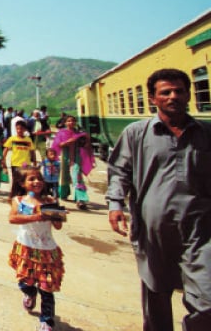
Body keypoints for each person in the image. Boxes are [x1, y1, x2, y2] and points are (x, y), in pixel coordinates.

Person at [106, 68, 211, 330]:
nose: (173, 96)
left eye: (179, 91)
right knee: (156, 295)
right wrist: (115, 204)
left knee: (207, 300)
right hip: (153, 230)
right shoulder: (137, 133)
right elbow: (120, 171)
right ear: (153, 98)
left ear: (189, 95)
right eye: (166, 92)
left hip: (201, 229)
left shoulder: (206, 132)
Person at [8, 165, 65, 331]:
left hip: (47, 251)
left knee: (47, 288)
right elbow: (13, 219)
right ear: (22, 183)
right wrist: (37, 216)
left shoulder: (50, 201)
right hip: (26, 248)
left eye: (39, 178)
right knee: (25, 282)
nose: (37, 181)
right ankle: (30, 293)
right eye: (31, 179)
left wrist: (57, 216)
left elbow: (58, 226)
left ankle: (47, 321)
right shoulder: (19, 201)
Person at [51, 115, 94, 210]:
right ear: (65, 123)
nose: (71, 123)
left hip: (76, 158)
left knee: (77, 178)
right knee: (63, 177)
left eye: (73, 121)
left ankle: (80, 200)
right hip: (64, 157)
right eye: (69, 121)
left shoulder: (79, 133)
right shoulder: (61, 133)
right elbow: (58, 144)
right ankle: (64, 193)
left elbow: (86, 145)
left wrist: (86, 141)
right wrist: (70, 141)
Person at [3, 121, 37, 198]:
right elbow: (6, 149)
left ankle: (22, 195)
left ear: (24, 129)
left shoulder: (28, 140)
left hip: (25, 164)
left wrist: (34, 162)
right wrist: (3, 160)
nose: (19, 130)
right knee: (15, 181)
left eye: (21, 129)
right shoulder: (12, 139)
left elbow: (32, 151)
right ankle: (13, 196)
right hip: (15, 163)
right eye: (17, 129)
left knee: (24, 181)